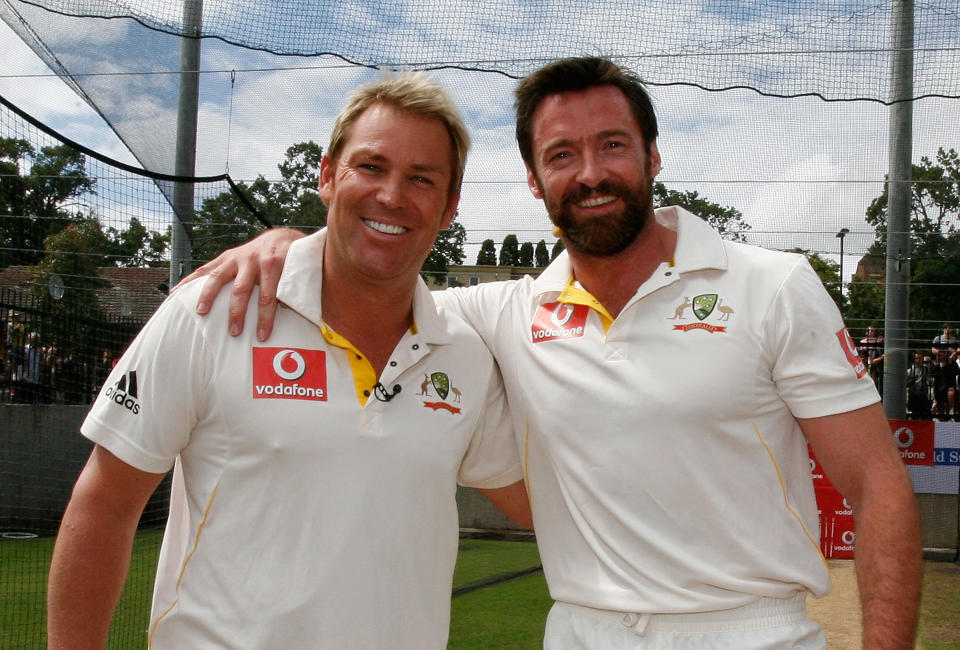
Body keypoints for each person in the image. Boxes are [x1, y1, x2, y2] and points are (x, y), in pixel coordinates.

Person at [186, 57, 921, 649]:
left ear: (653, 155)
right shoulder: (498, 312)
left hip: (750, 631)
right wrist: (284, 244)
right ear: (535, 181)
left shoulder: (774, 286)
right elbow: (366, 288)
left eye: (612, 146)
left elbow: (877, 483)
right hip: (579, 630)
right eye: (561, 155)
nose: (591, 174)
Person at [47, 74, 529, 650]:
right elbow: (104, 504)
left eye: (421, 179)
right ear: (328, 176)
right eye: (371, 167)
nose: (393, 196)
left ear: (449, 206)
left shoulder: (463, 354)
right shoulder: (210, 310)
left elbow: (542, 506)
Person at [905, 351, 932, 419]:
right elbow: (905, 384)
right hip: (914, 396)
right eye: (917, 358)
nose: (919, 360)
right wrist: (912, 380)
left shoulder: (926, 369)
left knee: (925, 416)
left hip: (923, 396)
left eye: (920, 358)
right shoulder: (910, 371)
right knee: (915, 416)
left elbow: (929, 380)